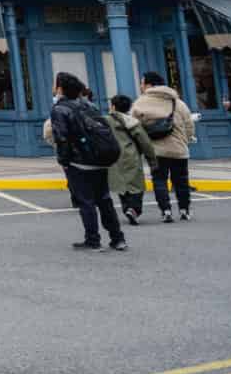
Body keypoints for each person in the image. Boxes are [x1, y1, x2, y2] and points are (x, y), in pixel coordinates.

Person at [48, 71, 127, 252]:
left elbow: (62, 138)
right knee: (104, 199)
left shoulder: (60, 109)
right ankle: (117, 238)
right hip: (99, 159)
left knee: (86, 201)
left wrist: (64, 161)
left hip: (79, 162)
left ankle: (93, 240)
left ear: (60, 88)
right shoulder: (90, 106)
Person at [130, 71, 196, 222]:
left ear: (149, 85)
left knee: (159, 180)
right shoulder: (178, 102)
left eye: (142, 83)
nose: (140, 86)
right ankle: (184, 210)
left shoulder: (140, 103)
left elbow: (133, 127)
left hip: (156, 150)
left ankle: (166, 211)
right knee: (181, 180)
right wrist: (184, 140)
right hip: (179, 150)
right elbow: (189, 126)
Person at [106, 94, 158, 226]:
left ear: (112, 106)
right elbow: (144, 142)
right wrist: (152, 160)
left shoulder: (105, 121)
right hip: (131, 155)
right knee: (136, 185)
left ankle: (127, 209)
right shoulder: (132, 122)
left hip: (113, 157)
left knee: (121, 185)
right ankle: (134, 209)